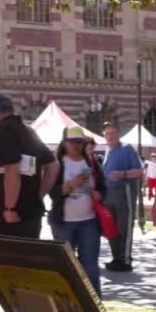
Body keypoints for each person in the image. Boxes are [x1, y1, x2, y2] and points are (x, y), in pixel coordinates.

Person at [0, 92, 57, 238]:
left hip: (11, 216)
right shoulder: (27, 130)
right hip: (30, 211)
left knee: (8, 259)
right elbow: (53, 166)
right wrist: (38, 195)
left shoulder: (3, 132)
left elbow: (12, 171)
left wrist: (10, 208)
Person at [49, 126, 107, 296]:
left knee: (90, 266)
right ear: (64, 143)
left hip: (89, 222)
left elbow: (103, 188)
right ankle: (67, 300)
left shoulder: (91, 162)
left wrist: (99, 194)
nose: (76, 145)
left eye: (80, 142)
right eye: (72, 142)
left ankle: (95, 303)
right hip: (63, 223)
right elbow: (52, 192)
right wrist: (69, 185)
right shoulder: (58, 163)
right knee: (65, 265)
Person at [100, 122, 143, 272]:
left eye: (112, 133)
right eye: (107, 134)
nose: (110, 136)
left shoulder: (127, 149)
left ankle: (125, 260)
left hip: (124, 191)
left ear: (118, 134)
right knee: (111, 228)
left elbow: (139, 171)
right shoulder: (107, 151)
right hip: (109, 194)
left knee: (124, 227)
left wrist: (123, 174)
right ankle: (116, 258)